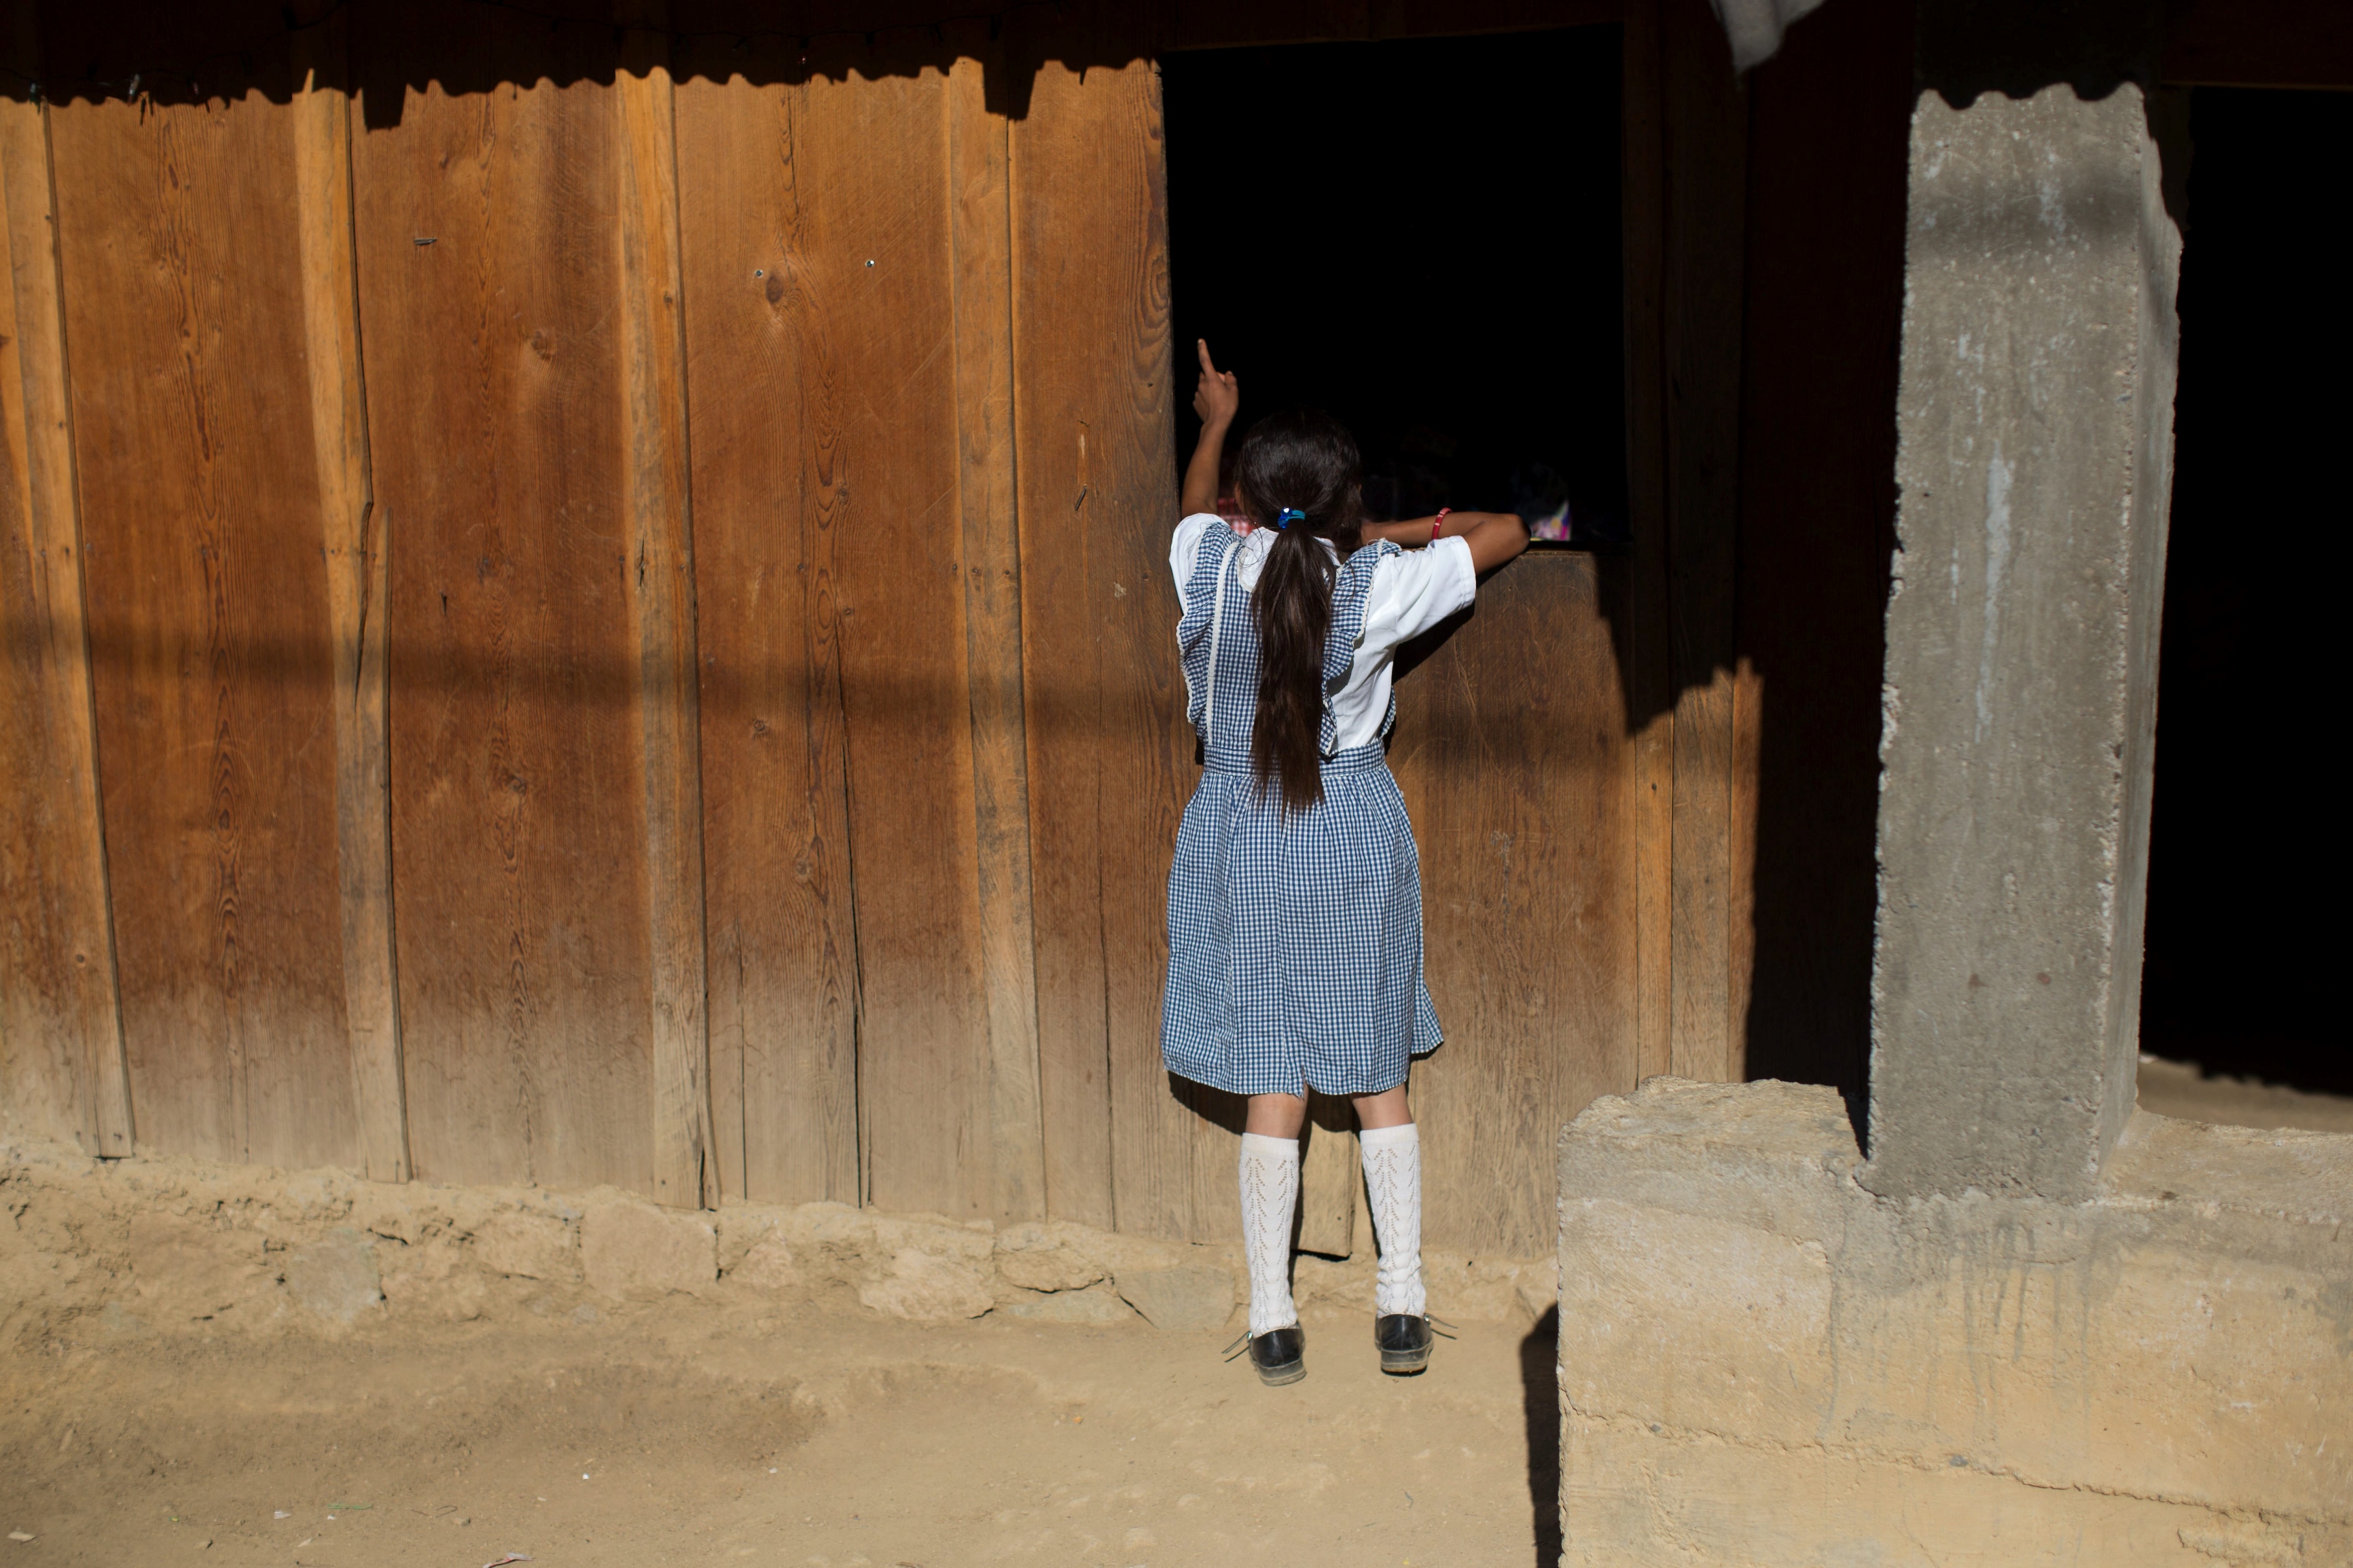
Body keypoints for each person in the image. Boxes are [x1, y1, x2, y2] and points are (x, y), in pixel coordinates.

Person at [1162, 340, 1528, 1386]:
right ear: (1348, 499)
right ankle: (1401, 1305)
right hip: (1346, 833)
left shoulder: (1205, 561)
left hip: (1239, 837)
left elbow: (1193, 510)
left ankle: (1273, 1317)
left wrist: (1214, 420)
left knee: (1272, 1079)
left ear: (1244, 499)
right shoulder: (1374, 584)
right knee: (1377, 1076)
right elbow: (1507, 531)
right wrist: (1394, 530)